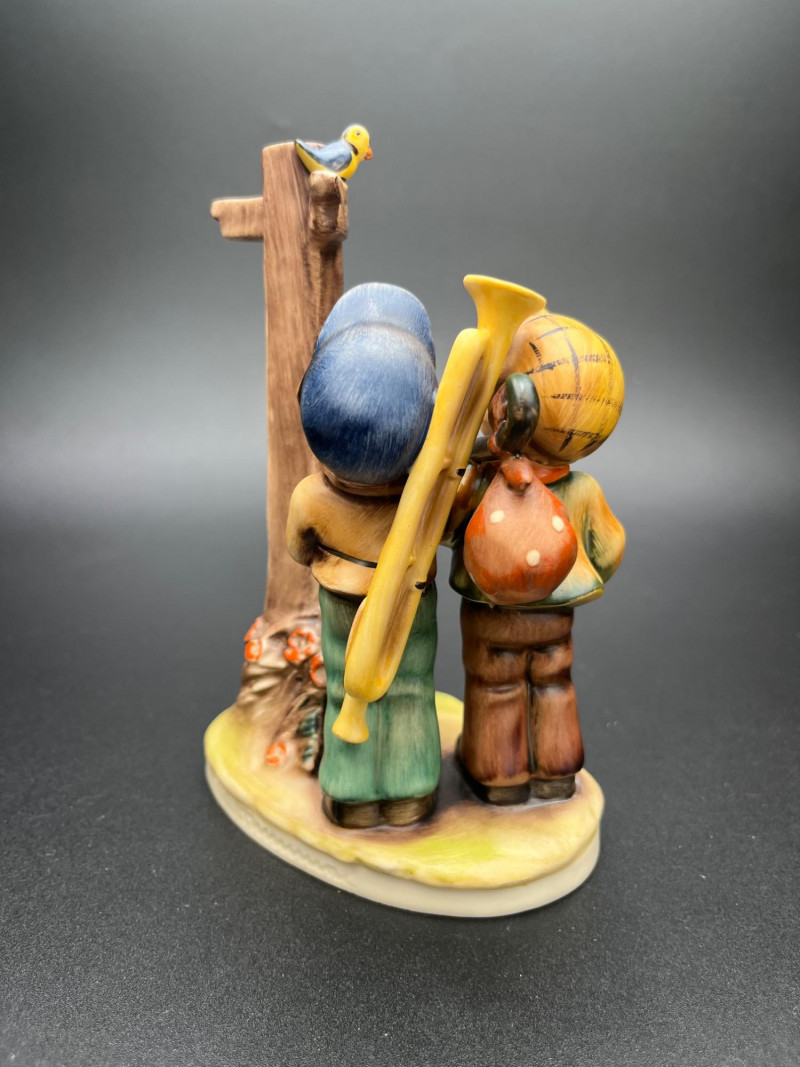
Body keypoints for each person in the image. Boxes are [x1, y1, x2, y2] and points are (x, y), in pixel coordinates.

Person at [447, 309, 626, 804]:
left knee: (495, 686)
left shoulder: (483, 480)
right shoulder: (583, 489)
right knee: (554, 684)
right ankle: (557, 770)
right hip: (555, 620)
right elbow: (609, 550)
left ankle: (499, 775)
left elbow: (448, 530)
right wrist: (565, 573)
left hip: (491, 613)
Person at [286, 282, 441, 829]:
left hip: (341, 601)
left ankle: (351, 792)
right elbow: (451, 531)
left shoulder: (311, 497)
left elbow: (299, 549)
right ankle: (410, 789)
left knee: (343, 687)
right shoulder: (427, 496)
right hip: (411, 601)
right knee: (411, 687)